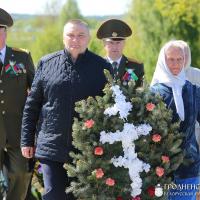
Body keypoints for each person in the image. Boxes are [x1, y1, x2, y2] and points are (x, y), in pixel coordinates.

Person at [20, 19, 110, 200]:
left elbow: (109, 109)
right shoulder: (46, 63)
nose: (75, 39)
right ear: (63, 38)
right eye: (70, 35)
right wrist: (26, 140)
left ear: (89, 38)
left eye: (80, 35)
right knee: (54, 195)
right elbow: (32, 105)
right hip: (51, 146)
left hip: (87, 149)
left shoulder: (102, 67)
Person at [151, 40, 200, 200]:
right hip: (160, 169)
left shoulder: (194, 90)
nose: (176, 64)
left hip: (189, 166)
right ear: (163, 61)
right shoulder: (153, 94)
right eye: (171, 59)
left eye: (180, 59)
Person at [0, 8, 35, 200]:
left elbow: (37, 91)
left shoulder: (21, 57)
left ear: (5, 31)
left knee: (21, 175)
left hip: (17, 131)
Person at [96, 19, 144, 87]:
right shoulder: (96, 67)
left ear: (124, 43)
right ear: (104, 44)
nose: (115, 47)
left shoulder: (135, 66)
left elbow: (141, 92)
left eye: (118, 43)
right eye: (111, 43)